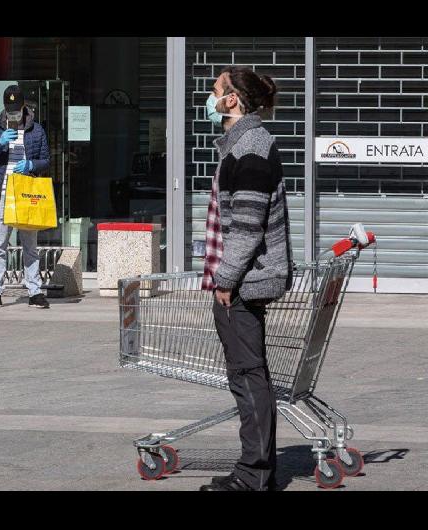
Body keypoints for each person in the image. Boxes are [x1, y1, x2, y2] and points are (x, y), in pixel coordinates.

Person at [199, 67, 293, 491]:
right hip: (244, 278)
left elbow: (248, 225)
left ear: (232, 100)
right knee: (250, 372)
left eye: (215, 91)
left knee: (247, 374)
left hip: (243, 282)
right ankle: (259, 470)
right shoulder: (244, 144)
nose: (210, 97)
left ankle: (253, 475)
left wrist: (226, 279)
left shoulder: (251, 147)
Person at [0, 85, 51, 310]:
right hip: (1, 195)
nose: (13, 115)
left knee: (30, 246)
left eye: (16, 110)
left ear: (23, 107)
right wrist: (0, 144)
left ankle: (35, 291)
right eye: (9, 111)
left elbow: (46, 160)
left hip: (26, 195)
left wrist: (30, 164)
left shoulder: (36, 130)